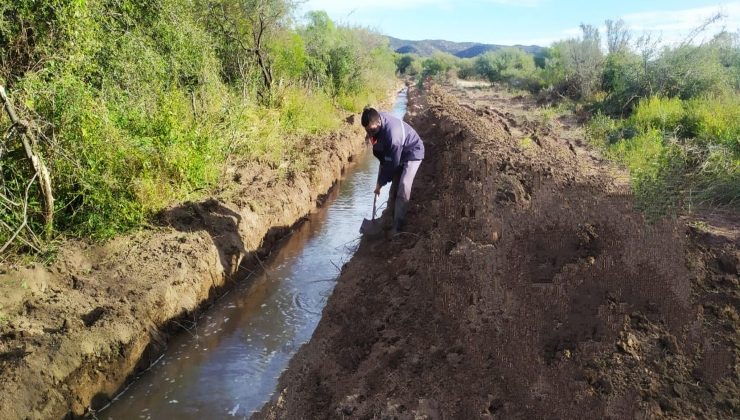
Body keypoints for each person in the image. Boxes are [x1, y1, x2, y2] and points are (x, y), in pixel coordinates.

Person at [361, 106, 425, 235]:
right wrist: (383, 162)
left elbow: (392, 165)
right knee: (393, 189)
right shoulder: (375, 122)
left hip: (412, 151)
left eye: (372, 130)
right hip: (398, 151)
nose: (370, 133)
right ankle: (389, 218)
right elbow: (382, 154)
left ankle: (397, 227)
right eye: (367, 130)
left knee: (403, 185)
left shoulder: (392, 136)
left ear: (378, 122)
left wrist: (380, 183)